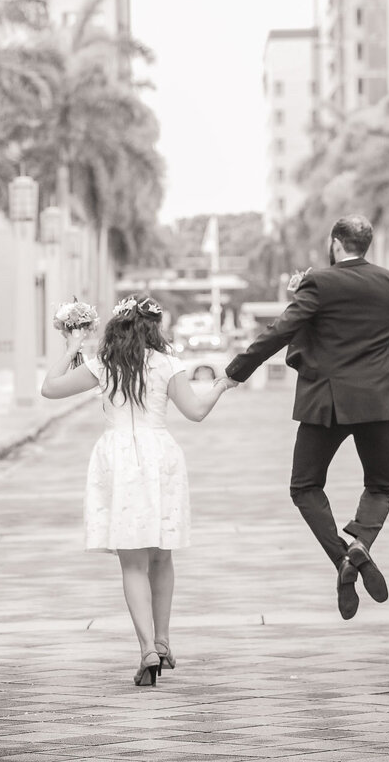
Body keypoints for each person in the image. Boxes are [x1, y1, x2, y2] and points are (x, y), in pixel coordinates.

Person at [224, 215, 389, 620]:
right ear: (365, 245)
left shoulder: (319, 282)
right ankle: (360, 547)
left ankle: (342, 558)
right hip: (377, 401)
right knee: (381, 487)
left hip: (328, 404)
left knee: (304, 487)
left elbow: (281, 331)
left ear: (336, 243)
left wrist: (236, 372)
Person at [41, 293, 232, 685]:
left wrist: (73, 345)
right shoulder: (168, 364)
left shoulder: (103, 365)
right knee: (162, 557)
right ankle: (162, 641)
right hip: (161, 456)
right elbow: (195, 412)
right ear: (153, 328)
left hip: (117, 460)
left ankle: (146, 648)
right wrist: (221, 385)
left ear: (117, 327)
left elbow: (50, 388)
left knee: (132, 563)